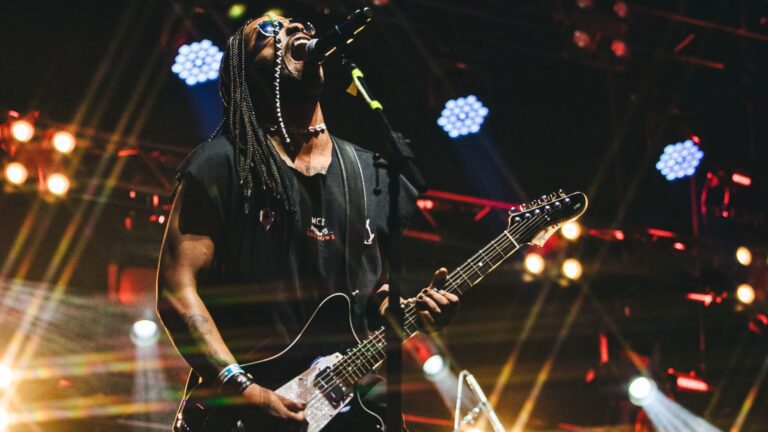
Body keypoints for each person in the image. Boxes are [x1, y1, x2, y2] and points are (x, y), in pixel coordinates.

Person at [156, 13, 459, 431]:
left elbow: (373, 289)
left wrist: (408, 311)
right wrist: (242, 388)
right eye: (268, 32)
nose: (294, 30)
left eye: (299, 25)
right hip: (241, 414)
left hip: (351, 413)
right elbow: (176, 291)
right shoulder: (222, 164)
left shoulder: (371, 175)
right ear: (247, 72)